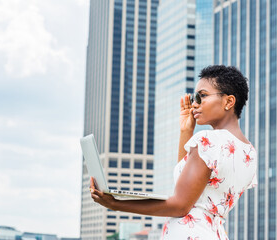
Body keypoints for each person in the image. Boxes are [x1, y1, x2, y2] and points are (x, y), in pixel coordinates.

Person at [90, 65, 258, 240]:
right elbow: (185, 184)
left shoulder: (209, 141)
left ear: (229, 102)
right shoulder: (249, 153)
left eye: (203, 96)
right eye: (195, 98)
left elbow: (180, 205)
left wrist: (116, 204)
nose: (194, 104)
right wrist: (186, 131)